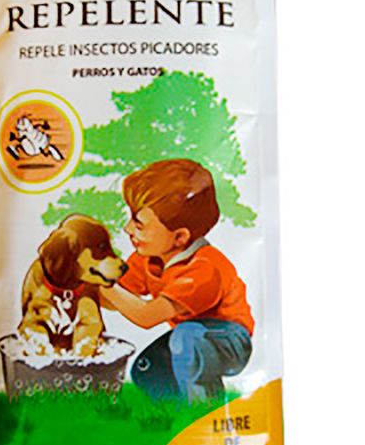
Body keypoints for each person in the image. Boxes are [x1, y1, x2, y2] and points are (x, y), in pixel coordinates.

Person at [99, 159, 254, 402]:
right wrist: (84, 282)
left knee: (187, 339)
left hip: (230, 339)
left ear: (180, 237)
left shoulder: (204, 268)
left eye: (139, 225)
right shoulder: (148, 258)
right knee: (147, 369)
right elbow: (118, 298)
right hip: (188, 337)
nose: (128, 229)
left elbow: (147, 316)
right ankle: (174, 414)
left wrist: (103, 285)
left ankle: (205, 408)